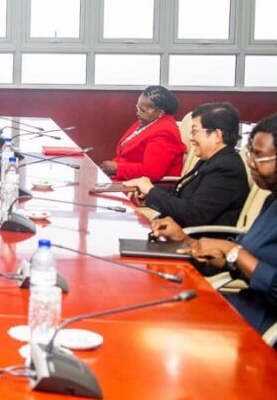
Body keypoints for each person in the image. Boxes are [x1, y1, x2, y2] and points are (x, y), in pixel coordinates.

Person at [151, 113, 277, 336]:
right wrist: (186, 240)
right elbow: (242, 261)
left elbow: (247, 261)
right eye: (250, 155)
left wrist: (235, 253)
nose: (250, 163)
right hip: (241, 306)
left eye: (259, 157)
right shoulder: (272, 200)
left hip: (259, 326)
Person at [125, 102, 249, 228]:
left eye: (194, 131)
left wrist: (151, 191)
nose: (191, 138)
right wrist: (147, 191)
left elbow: (192, 215)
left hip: (196, 241)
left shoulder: (226, 169)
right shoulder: (212, 160)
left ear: (217, 135)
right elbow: (181, 192)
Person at [99, 85, 186, 182]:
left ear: (160, 112)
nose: (138, 113)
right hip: (127, 179)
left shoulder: (165, 132)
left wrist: (116, 168)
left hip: (145, 188)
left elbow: (152, 172)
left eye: (142, 110)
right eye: (138, 108)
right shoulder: (146, 121)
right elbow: (126, 156)